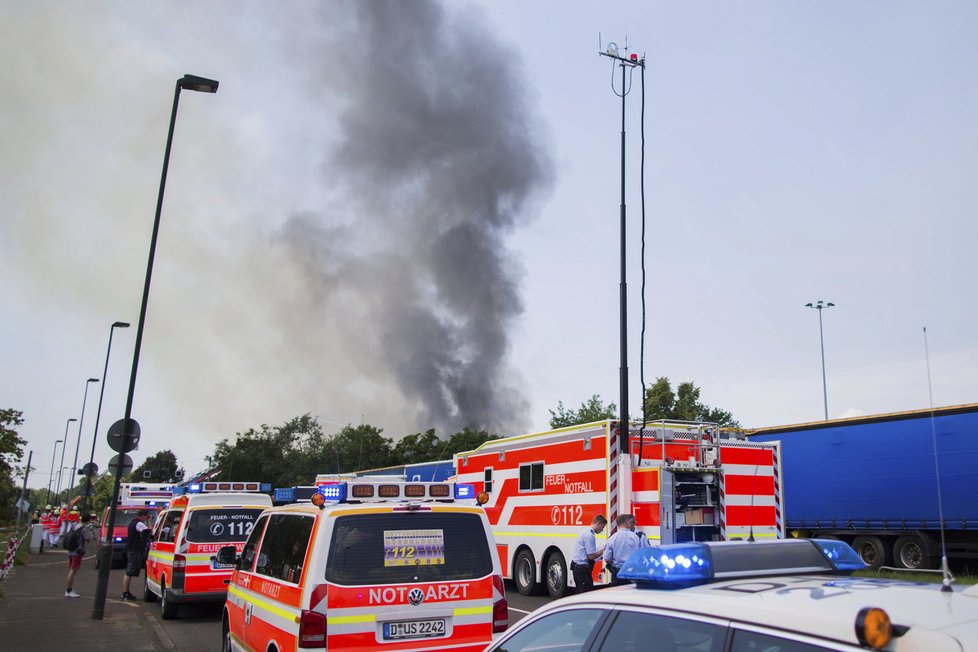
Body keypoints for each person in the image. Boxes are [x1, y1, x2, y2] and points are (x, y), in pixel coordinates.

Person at [121, 509, 154, 601]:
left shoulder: (132, 523)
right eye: (147, 516)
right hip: (134, 550)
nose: (146, 518)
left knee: (129, 571)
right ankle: (125, 593)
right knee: (129, 571)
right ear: (144, 515)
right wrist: (149, 521)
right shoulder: (139, 524)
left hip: (131, 549)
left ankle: (126, 592)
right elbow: (149, 532)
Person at [570, 514, 607, 593]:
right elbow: (591, 556)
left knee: (581, 591)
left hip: (578, 566)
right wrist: (603, 550)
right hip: (582, 568)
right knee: (585, 592)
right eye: (602, 527)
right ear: (598, 523)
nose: (602, 530)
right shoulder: (590, 535)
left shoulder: (586, 531)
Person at [604, 514, 641, 585]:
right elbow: (639, 554)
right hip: (632, 572)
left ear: (617, 524)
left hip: (617, 573)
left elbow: (607, 559)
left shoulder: (612, 538)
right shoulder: (635, 537)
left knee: (618, 594)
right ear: (627, 522)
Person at [65, 513, 95, 598]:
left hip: (71, 549)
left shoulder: (75, 526)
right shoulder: (84, 529)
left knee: (71, 569)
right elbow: (88, 539)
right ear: (88, 520)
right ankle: (69, 590)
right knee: (73, 570)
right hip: (78, 551)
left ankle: (69, 589)